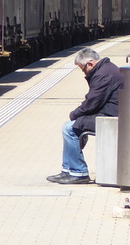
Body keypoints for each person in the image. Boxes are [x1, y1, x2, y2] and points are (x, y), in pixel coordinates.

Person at [47, 47, 124, 184]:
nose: (83, 72)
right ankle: (67, 170)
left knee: (70, 128)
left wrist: (74, 114)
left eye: (83, 69)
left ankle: (78, 172)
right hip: (112, 113)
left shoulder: (103, 75)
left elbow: (92, 103)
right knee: (71, 126)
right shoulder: (107, 68)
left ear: (90, 63)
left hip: (112, 118)